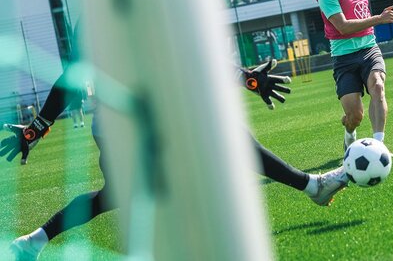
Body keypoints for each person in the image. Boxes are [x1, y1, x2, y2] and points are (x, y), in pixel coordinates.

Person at [2, 29, 348, 260]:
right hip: (124, 123)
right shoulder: (109, 5)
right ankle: (310, 187)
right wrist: (37, 127)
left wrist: (246, 78)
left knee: (220, 138)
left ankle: (33, 243)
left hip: (141, 117)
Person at [316, 0, 393, 150]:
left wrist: (375, 20)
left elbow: (360, 17)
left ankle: (378, 146)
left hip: (369, 50)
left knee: (378, 86)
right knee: (355, 116)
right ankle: (349, 132)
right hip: (344, 58)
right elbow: (343, 27)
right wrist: (378, 18)